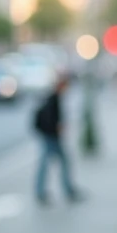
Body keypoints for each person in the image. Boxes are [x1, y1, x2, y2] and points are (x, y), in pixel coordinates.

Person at [33, 74, 80, 204]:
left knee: (54, 163)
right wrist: (57, 128)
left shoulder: (55, 98)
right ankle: (43, 192)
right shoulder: (53, 99)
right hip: (51, 137)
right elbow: (50, 119)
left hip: (51, 136)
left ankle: (63, 190)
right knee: (48, 164)